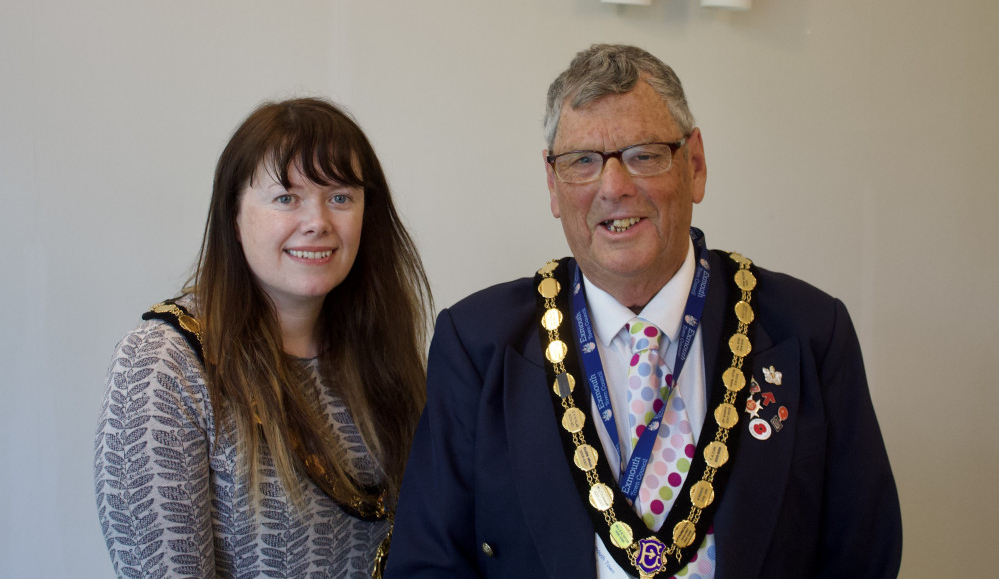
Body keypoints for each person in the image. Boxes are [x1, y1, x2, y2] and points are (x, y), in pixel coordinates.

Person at [385, 44, 902, 578]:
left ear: (695, 165)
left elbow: (863, 556)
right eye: (582, 161)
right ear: (553, 184)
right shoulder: (476, 344)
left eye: (644, 154)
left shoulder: (811, 333)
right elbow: (429, 563)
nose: (614, 187)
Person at [94, 98, 431, 578]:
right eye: (286, 198)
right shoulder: (163, 365)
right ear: (233, 214)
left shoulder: (380, 351)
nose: (318, 222)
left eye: (340, 197)